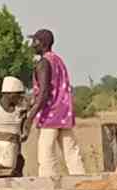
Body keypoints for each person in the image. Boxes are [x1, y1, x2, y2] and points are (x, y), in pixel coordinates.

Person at [27, 28, 85, 179]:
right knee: (72, 154)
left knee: (46, 155)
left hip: (49, 115)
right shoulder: (58, 60)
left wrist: (30, 116)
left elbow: (44, 92)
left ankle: (49, 189)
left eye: (34, 41)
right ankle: (83, 185)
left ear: (42, 43)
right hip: (64, 113)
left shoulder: (43, 63)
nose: (32, 45)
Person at [0, 76, 34, 177]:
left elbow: (23, 129)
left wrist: (25, 132)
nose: (20, 98)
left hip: (16, 159)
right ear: (9, 94)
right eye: (18, 95)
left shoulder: (20, 111)